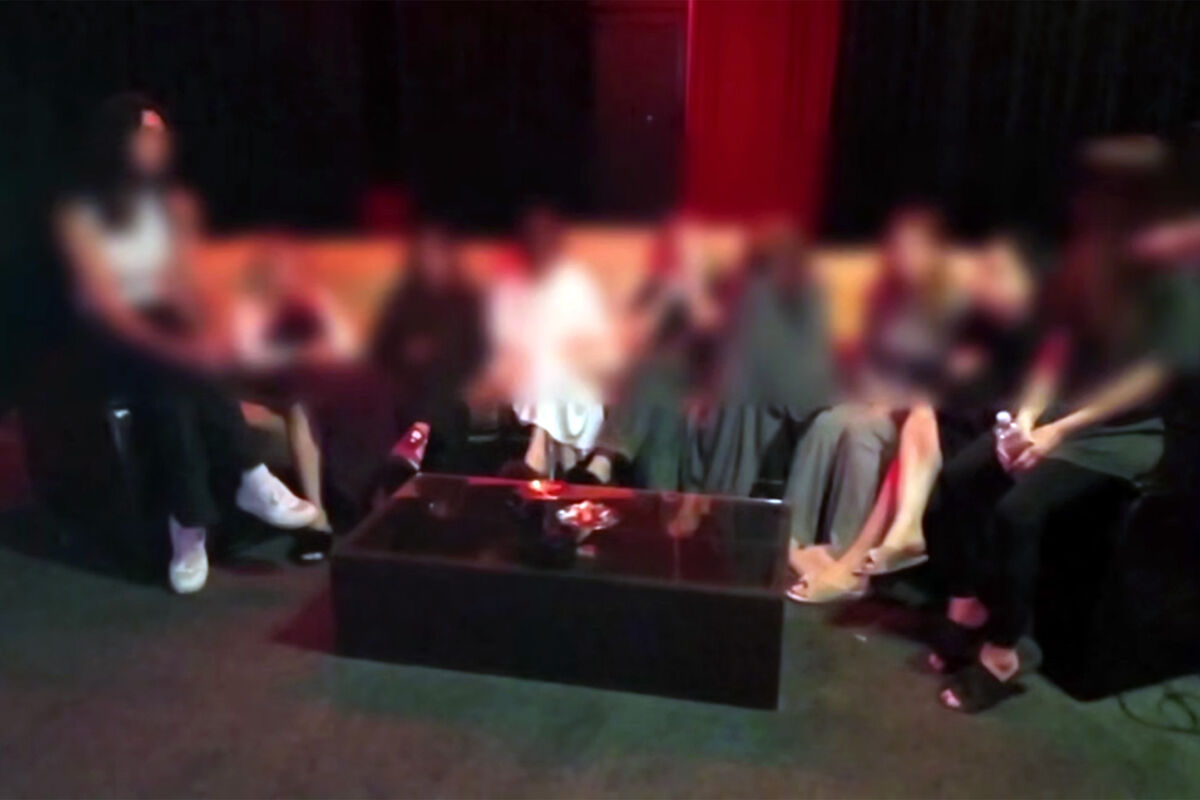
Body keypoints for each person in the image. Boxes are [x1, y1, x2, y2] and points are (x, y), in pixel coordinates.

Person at [922, 174, 1200, 712]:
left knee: (1017, 511)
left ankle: (1004, 649)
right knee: (958, 479)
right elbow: (1052, 356)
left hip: (1119, 431)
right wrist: (1028, 418)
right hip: (1058, 412)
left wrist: (1055, 433)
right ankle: (965, 607)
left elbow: (1142, 385)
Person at [55, 94, 319, 594]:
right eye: (148, 134)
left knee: (179, 370)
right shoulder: (86, 208)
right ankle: (250, 477)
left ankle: (190, 524)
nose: (159, 144)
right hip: (111, 346)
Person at [792, 230, 1044, 600]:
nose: (986, 280)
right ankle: (795, 540)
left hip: (972, 423)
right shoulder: (957, 318)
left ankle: (852, 559)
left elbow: (1019, 392)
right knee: (830, 423)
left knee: (883, 433)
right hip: (926, 407)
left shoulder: (1035, 329)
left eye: (997, 271)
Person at [785, 206, 962, 601]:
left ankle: (845, 555)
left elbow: (941, 381)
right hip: (877, 397)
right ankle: (793, 538)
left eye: (914, 247)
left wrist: (889, 401)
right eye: (898, 246)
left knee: (861, 433)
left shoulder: (949, 306)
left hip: (921, 415)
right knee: (828, 422)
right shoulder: (886, 298)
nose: (903, 256)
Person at [231, 232, 356, 552]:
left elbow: (341, 345)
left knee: (306, 401)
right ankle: (316, 516)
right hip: (263, 387)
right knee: (299, 401)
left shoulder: (316, 302)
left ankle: (322, 512)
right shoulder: (248, 306)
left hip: (311, 388)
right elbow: (248, 356)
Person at [488, 208, 619, 477]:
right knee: (548, 369)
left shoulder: (574, 280)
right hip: (530, 370)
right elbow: (507, 336)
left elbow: (595, 332)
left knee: (558, 371)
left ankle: (539, 453)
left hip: (576, 367)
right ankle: (546, 455)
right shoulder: (515, 281)